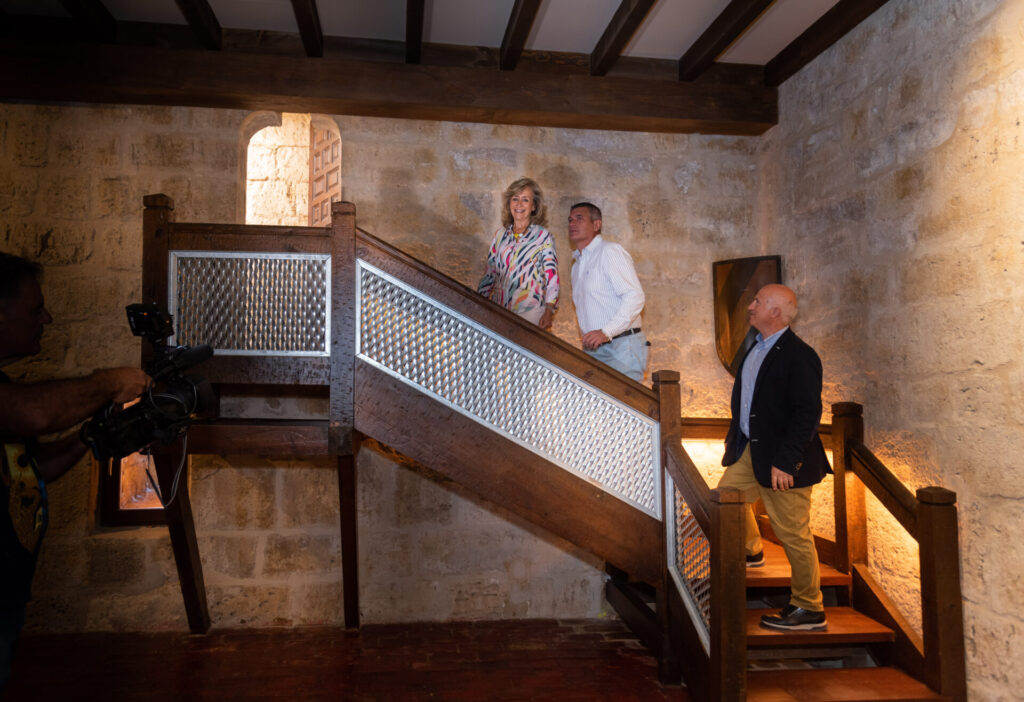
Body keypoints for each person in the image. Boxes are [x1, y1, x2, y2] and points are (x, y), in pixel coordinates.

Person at [0, 253, 150, 690]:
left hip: (8, 592)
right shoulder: (13, 403)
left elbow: (30, 470)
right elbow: (33, 414)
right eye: (34, 310)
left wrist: (90, 438)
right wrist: (109, 383)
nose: (45, 319)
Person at [718, 283, 832, 631]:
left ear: (776, 312)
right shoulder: (755, 349)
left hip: (783, 461)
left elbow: (808, 412)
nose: (750, 306)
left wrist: (786, 461)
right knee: (724, 502)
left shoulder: (799, 355)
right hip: (751, 451)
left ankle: (809, 607)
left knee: (793, 534)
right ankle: (752, 550)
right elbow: (748, 405)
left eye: (757, 302)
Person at [567, 202, 647, 383]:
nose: (572, 224)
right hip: (593, 351)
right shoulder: (577, 265)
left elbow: (635, 296)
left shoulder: (609, 252)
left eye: (579, 219)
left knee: (626, 408)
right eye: (570, 220)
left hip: (621, 347)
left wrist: (606, 332)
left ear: (597, 225)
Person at [477, 177, 560, 329]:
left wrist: (549, 310)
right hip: (499, 310)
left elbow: (551, 276)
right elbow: (490, 273)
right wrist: (477, 303)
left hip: (530, 312)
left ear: (533, 206)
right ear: (509, 204)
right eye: (515, 199)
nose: (519, 204)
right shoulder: (500, 236)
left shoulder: (543, 237)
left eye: (525, 200)